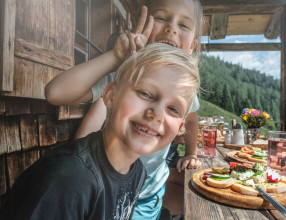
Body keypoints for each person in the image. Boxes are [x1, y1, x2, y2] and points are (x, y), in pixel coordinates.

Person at [0, 43, 200, 220]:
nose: (157, 114)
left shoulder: (137, 171)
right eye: (145, 93)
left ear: (180, 129)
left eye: (173, 109)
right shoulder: (70, 180)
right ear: (111, 95)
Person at [44, 0, 203, 219]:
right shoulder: (123, 76)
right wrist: (115, 56)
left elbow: (192, 121)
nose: (171, 28)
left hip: (148, 191)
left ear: (192, 45)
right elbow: (55, 93)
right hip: (107, 187)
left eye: (183, 25)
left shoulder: (185, 92)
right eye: (162, 18)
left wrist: (192, 153)